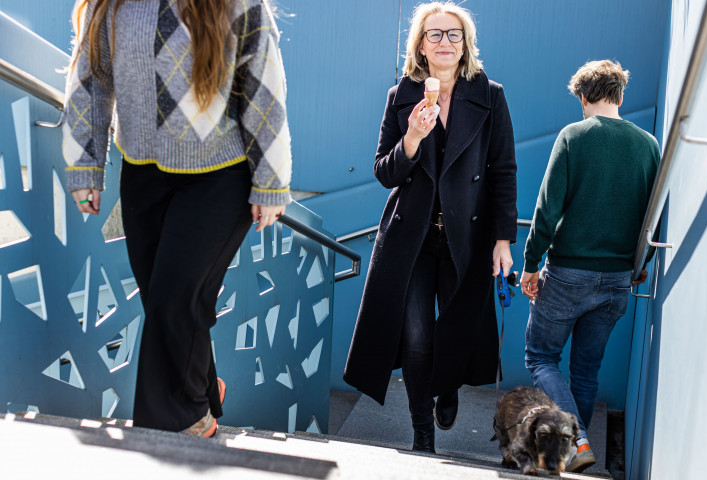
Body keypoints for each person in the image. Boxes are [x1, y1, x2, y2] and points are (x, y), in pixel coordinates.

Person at [63, 0, 291, 436]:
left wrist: (271, 180)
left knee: (175, 297)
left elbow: (263, 86)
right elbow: (91, 81)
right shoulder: (109, 5)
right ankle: (202, 389)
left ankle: (175, 428)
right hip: (142, 173)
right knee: (164, 300)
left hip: (222, 174)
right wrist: (85, 165)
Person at [344, 1, 518, 453]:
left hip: (467, 238)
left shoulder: (490, 95)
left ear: (465, 44)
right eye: (435, 34)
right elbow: (384, 172)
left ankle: (448, 385)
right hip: (412, 239)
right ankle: (423, 433)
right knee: (417, 338)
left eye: (453, 34)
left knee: (456, 331)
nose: (444, 42)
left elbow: (503, 170)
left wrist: (503, 239)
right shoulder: (400, 95)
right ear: (421, 45)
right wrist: (412, 139)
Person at [521, 59, 659, 472]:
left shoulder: (574, 136)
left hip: (568, 274)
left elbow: (547, 209)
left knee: (541, 358)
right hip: (618, 280)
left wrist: (530, 264)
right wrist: (641, 263)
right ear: (620, 96)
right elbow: (653, 218)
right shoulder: (649, 145)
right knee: (585, 371)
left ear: (583, 96)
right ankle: (570, 453)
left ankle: (575, 437)